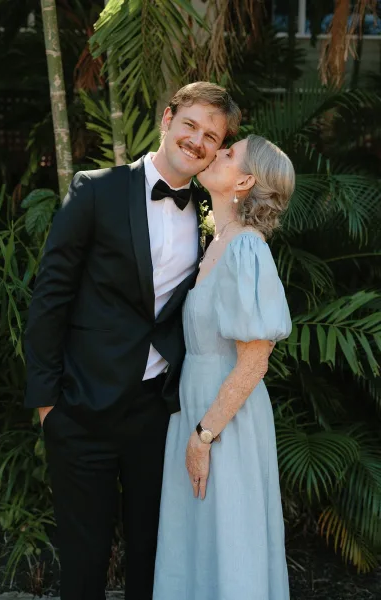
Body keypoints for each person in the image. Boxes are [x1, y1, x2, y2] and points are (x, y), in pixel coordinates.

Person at [24, 82, 248, 600]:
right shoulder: (97, 189)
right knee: (84, 563)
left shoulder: (209, 215)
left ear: (217, 149)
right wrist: (46, 405)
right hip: (80, 410)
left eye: (211, 136)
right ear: (167, 118)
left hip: (155, 415)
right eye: (190, 124)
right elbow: (50, 297)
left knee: (155, 559)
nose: (197, 140)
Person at [153, 134, 295, 600]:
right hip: (194, 411)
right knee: (196, 542)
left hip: (224, 421)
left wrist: (205, 435)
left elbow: (255, 359)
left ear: (246, 181)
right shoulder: (214, 241)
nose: (217, 152)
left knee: (231, 542)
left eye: (230, 153)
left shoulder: (246, 250)